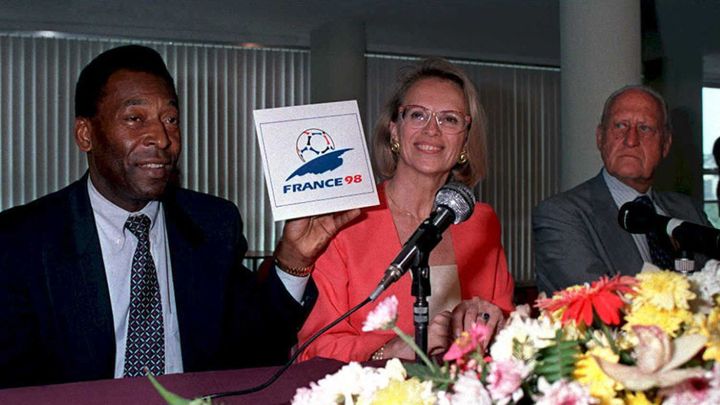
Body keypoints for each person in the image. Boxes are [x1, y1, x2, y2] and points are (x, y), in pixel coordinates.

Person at [0, 45, 357, 388]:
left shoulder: (213, 224)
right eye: (135, 118)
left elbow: (254, 350)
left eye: (170, 119)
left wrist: (294, 259)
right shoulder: (22, 241)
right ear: (85, 134)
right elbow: (16, 385)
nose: (161, 137)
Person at [296, 58, 515, 363]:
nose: (432, 130)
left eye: (449, 119)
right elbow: (314, 348)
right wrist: (393, 351)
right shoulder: (345, 219)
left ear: (466, 139)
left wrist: (493, 323)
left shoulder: (481, 221)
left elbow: (507, 330)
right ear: (395, 131)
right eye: (417, 115)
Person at [533, 85, 712, 295]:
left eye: (645, 128)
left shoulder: (687, 211)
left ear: (665, 145)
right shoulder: (561, 215)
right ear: (600, 138)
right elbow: (598, 304)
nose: (631, 140)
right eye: (620, 126)